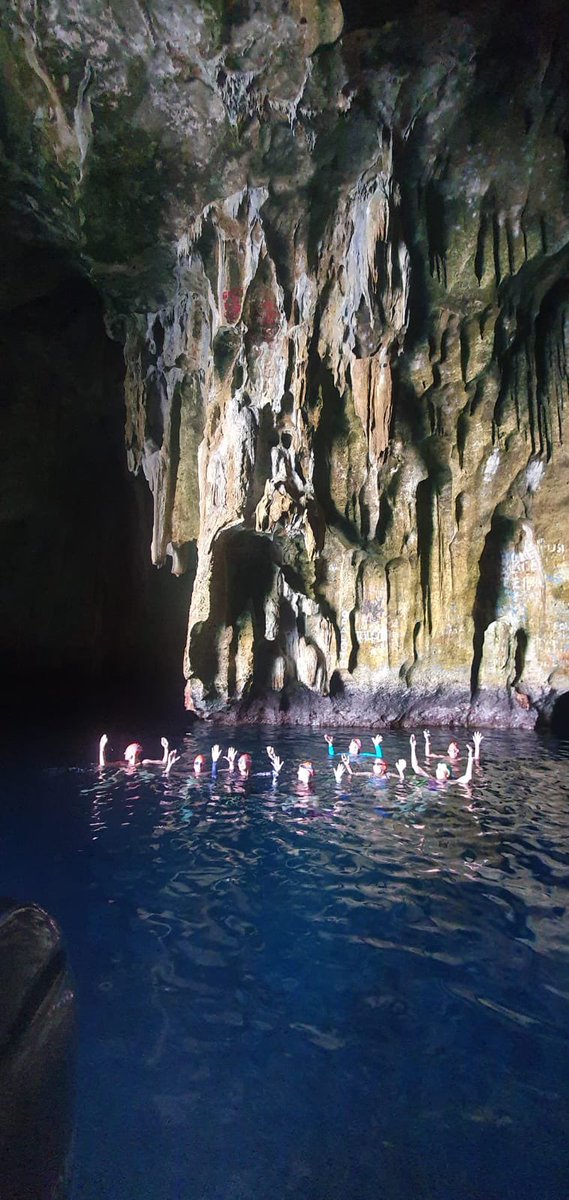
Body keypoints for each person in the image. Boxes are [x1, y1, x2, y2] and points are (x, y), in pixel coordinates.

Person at [98, 734, 170, 769]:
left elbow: (163, 763)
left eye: (126, 752)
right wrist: (102, 748)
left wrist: (166, 748)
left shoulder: (145, 762)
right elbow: (104, 764)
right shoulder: (122, 763)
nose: (124, 753)